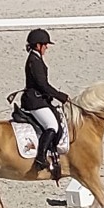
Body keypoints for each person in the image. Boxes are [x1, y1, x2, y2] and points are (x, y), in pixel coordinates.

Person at [20, 29, 69, 170]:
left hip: (39, 99)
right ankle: (40, 159)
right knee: (51, 125)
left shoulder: (36, 58)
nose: (46, 47)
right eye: (45, 45)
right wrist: (60, 96)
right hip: (34, 101)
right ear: (38, 45)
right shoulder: (34, 61)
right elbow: (42, 84)